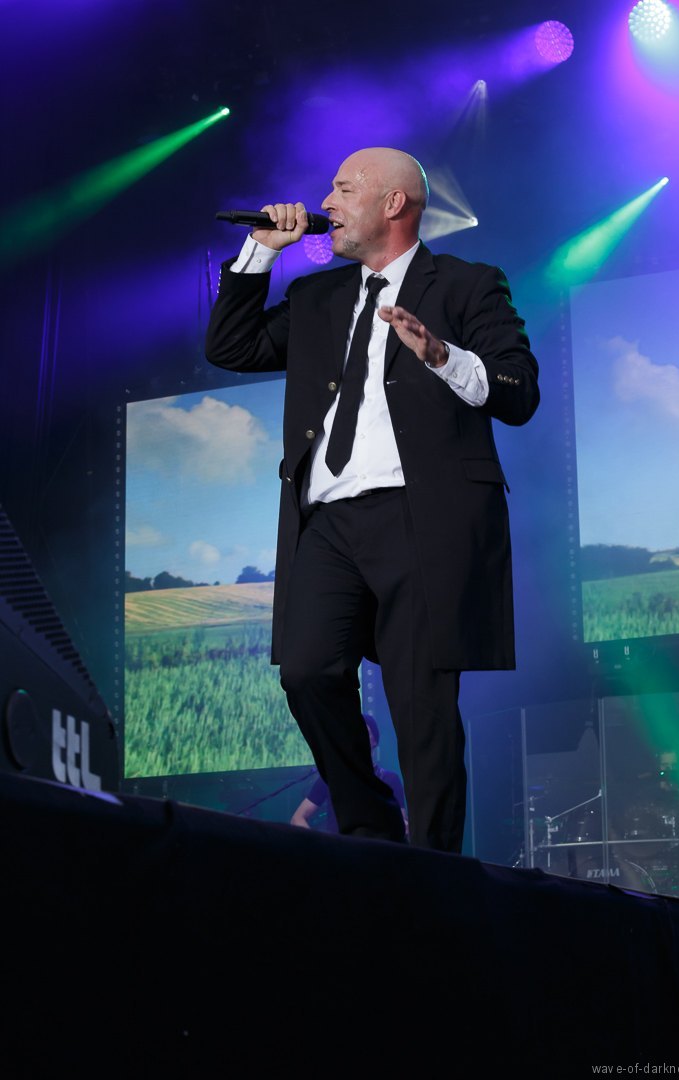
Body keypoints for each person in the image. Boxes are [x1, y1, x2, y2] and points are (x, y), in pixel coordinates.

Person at [206, 147, 539, 852]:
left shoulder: (468, 284)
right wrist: (260, 252)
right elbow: (231, 347)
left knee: (421, 705)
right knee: (307, 671)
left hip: (420, 515)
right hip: (327, 520)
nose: (326, 202)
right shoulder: (317, 298)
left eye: (344, 189)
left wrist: (442, 356)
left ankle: (435, 869)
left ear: (393, 204)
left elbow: (519, 392)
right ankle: (370, 823)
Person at [290, 714, 408, 836]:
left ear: (375, 741)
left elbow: (402, 824)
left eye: (363, 732)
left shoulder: (390, 779)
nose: (357, 738)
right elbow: (298, 818)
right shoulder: (332, 777)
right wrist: (320, 843)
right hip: (340, 846)